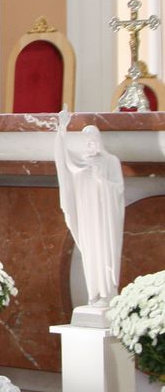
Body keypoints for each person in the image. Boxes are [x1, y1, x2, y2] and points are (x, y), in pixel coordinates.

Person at [54, 108, 125, 308]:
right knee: (90, 253)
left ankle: (107, 294)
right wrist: (61, 130)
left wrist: (101, 179)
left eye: (92, 140)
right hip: (87, 216)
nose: (89, 144)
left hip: (104, 217)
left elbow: (118, 189)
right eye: (86, 141)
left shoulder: (110, 161)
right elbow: (62, 160)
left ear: (99, 141)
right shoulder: (80, 163)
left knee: (104, 252)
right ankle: (94, 293)